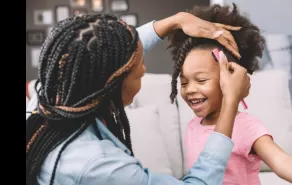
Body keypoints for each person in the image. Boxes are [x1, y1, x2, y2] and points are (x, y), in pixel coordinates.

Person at [26, 13, 251, 185]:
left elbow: (104, 54)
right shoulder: (99, 165)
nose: (144, 68)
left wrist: (176, 21)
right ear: (114, 84)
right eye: (140, 72)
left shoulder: (48, 96)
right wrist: (230, 101)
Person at [168, 4, 292, 185]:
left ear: (230, 77)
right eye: (184, 82)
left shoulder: (247, 126)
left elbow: (282, 162)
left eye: (201, 80)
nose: (190, 89)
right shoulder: (193, 126)